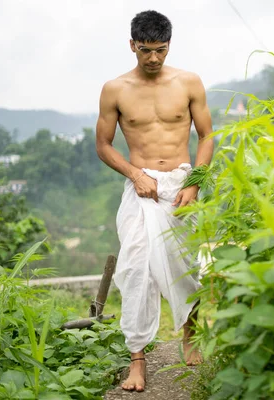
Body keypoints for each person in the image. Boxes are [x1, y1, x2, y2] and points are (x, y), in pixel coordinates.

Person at [95, 9, 214, 392]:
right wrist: (135, 174)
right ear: (132, 45)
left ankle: (191, 334)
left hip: (181, 184)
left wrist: (195, 183)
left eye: (160, 50)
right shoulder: (116, 89)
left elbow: (207, 136)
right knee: (136, 269)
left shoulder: (189, 82)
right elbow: (103, 145)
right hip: (140, 188)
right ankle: (137, 361)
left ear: (168, 46)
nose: (153, 58)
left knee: (186, 263)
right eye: (145, 50)